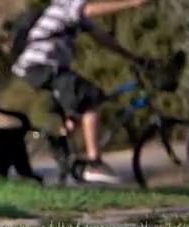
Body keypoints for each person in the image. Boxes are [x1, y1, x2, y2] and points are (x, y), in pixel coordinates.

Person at [10, 0, 153, 184]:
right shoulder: (65, 4)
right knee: (90, 97)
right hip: (42, 65)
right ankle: (94, 162)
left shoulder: (76, 16)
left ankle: (60, 140)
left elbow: (102, 38)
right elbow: (90, 9)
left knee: (79, 105)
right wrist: (132, 3)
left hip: (44, 67)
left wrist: (135, 58)